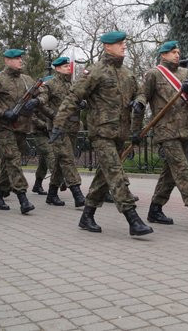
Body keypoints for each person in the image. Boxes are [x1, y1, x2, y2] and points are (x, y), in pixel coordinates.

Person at [51, 31, 152, 236]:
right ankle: (133, 219)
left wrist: (140, 102)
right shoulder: (95, 71)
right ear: (108, 47)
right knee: (116, 174)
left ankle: (87, 216)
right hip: (102, 133)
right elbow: (73, 97)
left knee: (103, 176)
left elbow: (140, 91)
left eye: (124, 43)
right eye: (120, 44)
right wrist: (58, 125)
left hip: (120, 133)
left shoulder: (127, 73)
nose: (124, 46)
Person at [139, 41, 188, 230]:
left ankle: (155, 209)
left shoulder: (187, 75)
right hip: (166, 132)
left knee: (170, 174)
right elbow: (142, 97)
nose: (176, 55)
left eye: (178, 52)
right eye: (173, 52)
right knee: (182, 170)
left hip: (185, 130)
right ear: (163, 55)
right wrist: (136, 127)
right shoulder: (154, 74)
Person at [0, 49, 39, 215]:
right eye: (16, 58)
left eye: (21, 58)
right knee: (13, 160)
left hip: (22, 127)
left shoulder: (27, 80)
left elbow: (43, 95)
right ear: (7, 60)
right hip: (4, 127)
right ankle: (23, 198)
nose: (20, 61)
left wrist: (35, 101)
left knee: (8, 163)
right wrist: (2, 113)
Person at [36, 56, 86, 207]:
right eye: (64, 66)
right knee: (67, 158)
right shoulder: (50, 84)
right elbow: (42, 104)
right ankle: (78, 194)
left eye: (68, 66)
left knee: (59, 162)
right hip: (58, 129)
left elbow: (74, 102)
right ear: (57, 68)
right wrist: (54, 116)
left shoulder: (72, 84)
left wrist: (81, 103)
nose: (68, 68)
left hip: (72, 128)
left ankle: (51, 195)